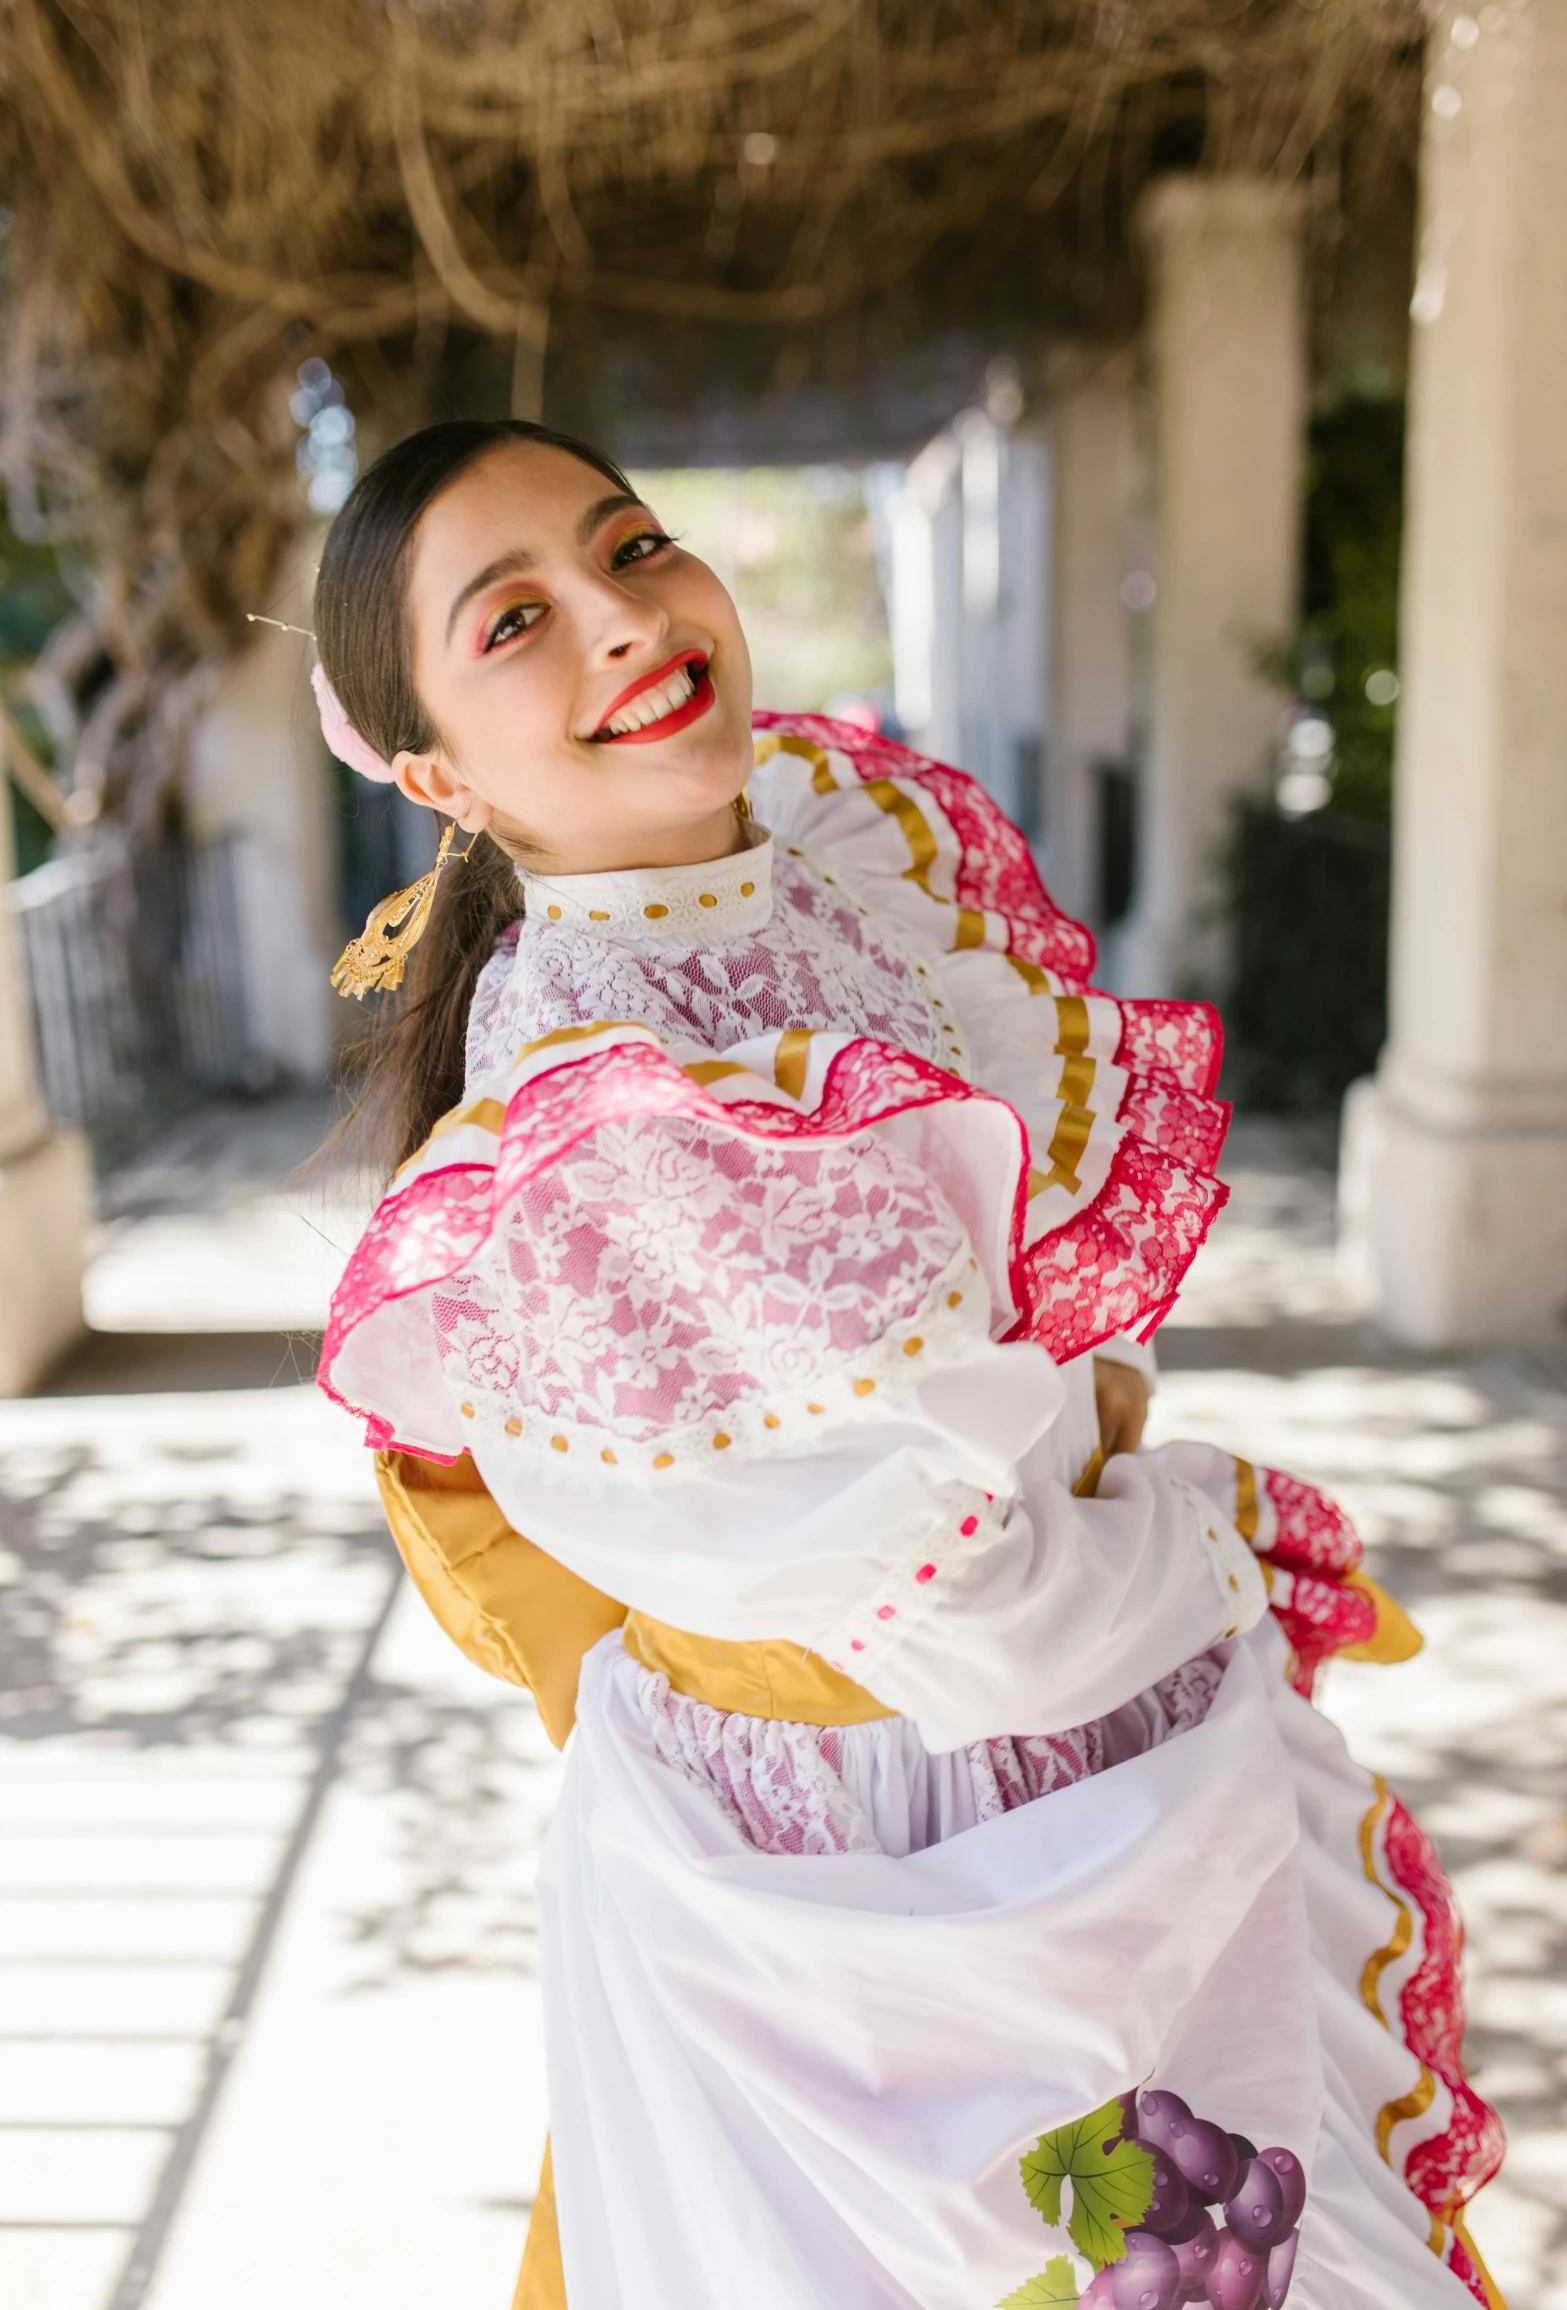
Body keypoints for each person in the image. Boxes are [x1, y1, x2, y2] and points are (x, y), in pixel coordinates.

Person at [312, 418, 1505, 2310]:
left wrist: (1120, 1468)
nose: (622, 621)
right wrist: (1199, 1541)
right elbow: (960, 1611)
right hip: (893, 1848)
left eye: (627, 550)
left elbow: (1034, 1371)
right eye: (515, 617)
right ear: (440, 768)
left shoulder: (825, 862)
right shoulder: (604, 1128)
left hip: (1028, 1772)